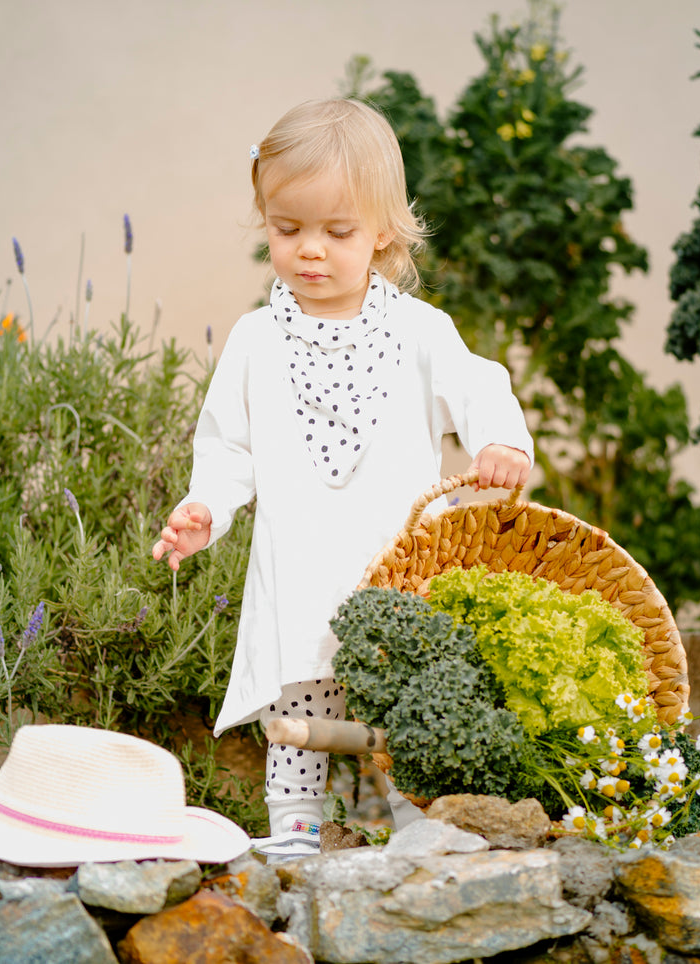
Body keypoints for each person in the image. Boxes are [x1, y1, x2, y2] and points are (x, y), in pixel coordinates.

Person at [152, 98, 532, 859]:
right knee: (301, 692)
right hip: (297, 566)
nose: (309, 251)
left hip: (395, 565)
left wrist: (498, 444)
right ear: (264, 220)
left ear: (383, 230)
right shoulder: (257, 340)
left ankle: (417, 818)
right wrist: (205, 507)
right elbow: (229, 446)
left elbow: (478, 386)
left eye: (337, 231)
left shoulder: (420, 331)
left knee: (402, 694)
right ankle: (293, 828)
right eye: (286, 229)